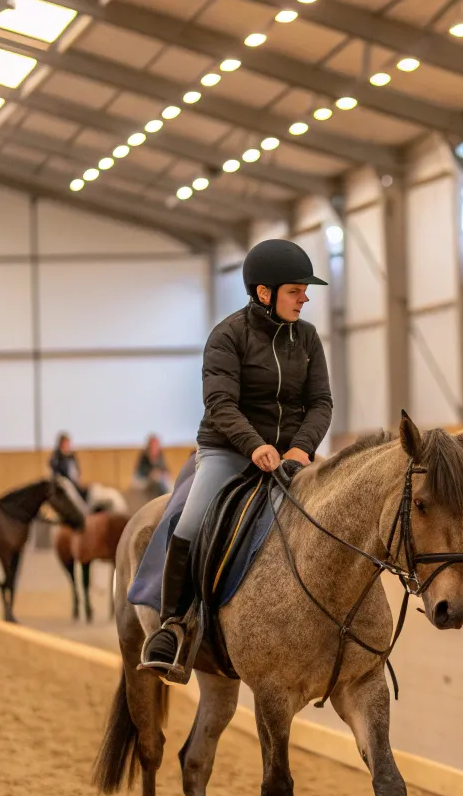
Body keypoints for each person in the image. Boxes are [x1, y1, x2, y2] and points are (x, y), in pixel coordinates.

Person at [140, 238, 333, 681]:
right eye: (295, 290)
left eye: (305, 291)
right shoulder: (227, 335)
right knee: (189, 524)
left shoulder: (307, 336)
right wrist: (253, 446)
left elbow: (321, 401)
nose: (305, 297)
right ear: (263, 293)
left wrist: (300, 448)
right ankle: (172, 626)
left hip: (292, 453)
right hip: (229, 449)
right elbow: (221, 404)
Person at [49, 432, 87, 500]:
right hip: (64, 485)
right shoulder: (56, 457)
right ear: (60, 444)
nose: (67, 445)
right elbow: (55, 473)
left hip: (74, 484)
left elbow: (76, 471)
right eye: (65, 443)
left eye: (68, 443)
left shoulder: (72, 456)